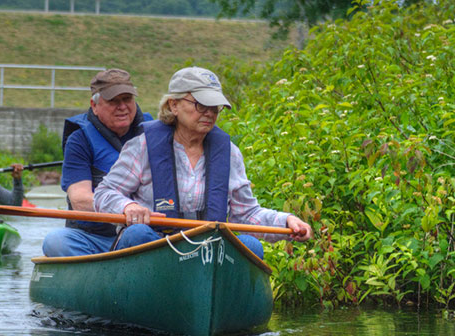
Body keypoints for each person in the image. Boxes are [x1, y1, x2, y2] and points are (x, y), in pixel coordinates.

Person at [93, 66, 313, 258]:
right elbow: (104, 194)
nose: (209, 113)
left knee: (251, 246)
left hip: (206, 249)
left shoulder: (229, 153)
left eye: (214, 106)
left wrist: (286, 221)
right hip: (156, 247)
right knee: (137, 233)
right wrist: (128, 206)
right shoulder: (142, 147)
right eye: (200, 105)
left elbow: (247, 215)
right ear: (174, 105)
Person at [41, 68, 153, 256]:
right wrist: (125, 207)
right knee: (55, 241)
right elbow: (80, 200)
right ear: (94, 105)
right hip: (93, 237)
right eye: (114, 101)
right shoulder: (79, 140)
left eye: (127, 99)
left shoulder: (154, 133)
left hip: (141, 233)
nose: (123, 107)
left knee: (138, 233)